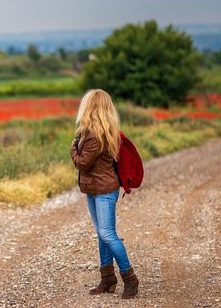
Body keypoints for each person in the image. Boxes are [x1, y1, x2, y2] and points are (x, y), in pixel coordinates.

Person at [70, 89, 139, 299]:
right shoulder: (106, 130)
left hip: (103, 191)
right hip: (96, 189)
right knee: (102, 234)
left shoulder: (93, 135)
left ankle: (130, 278)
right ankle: (108, 278)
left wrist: (73, 147)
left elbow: (81, 163)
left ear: (89, 107)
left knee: (107, 234)